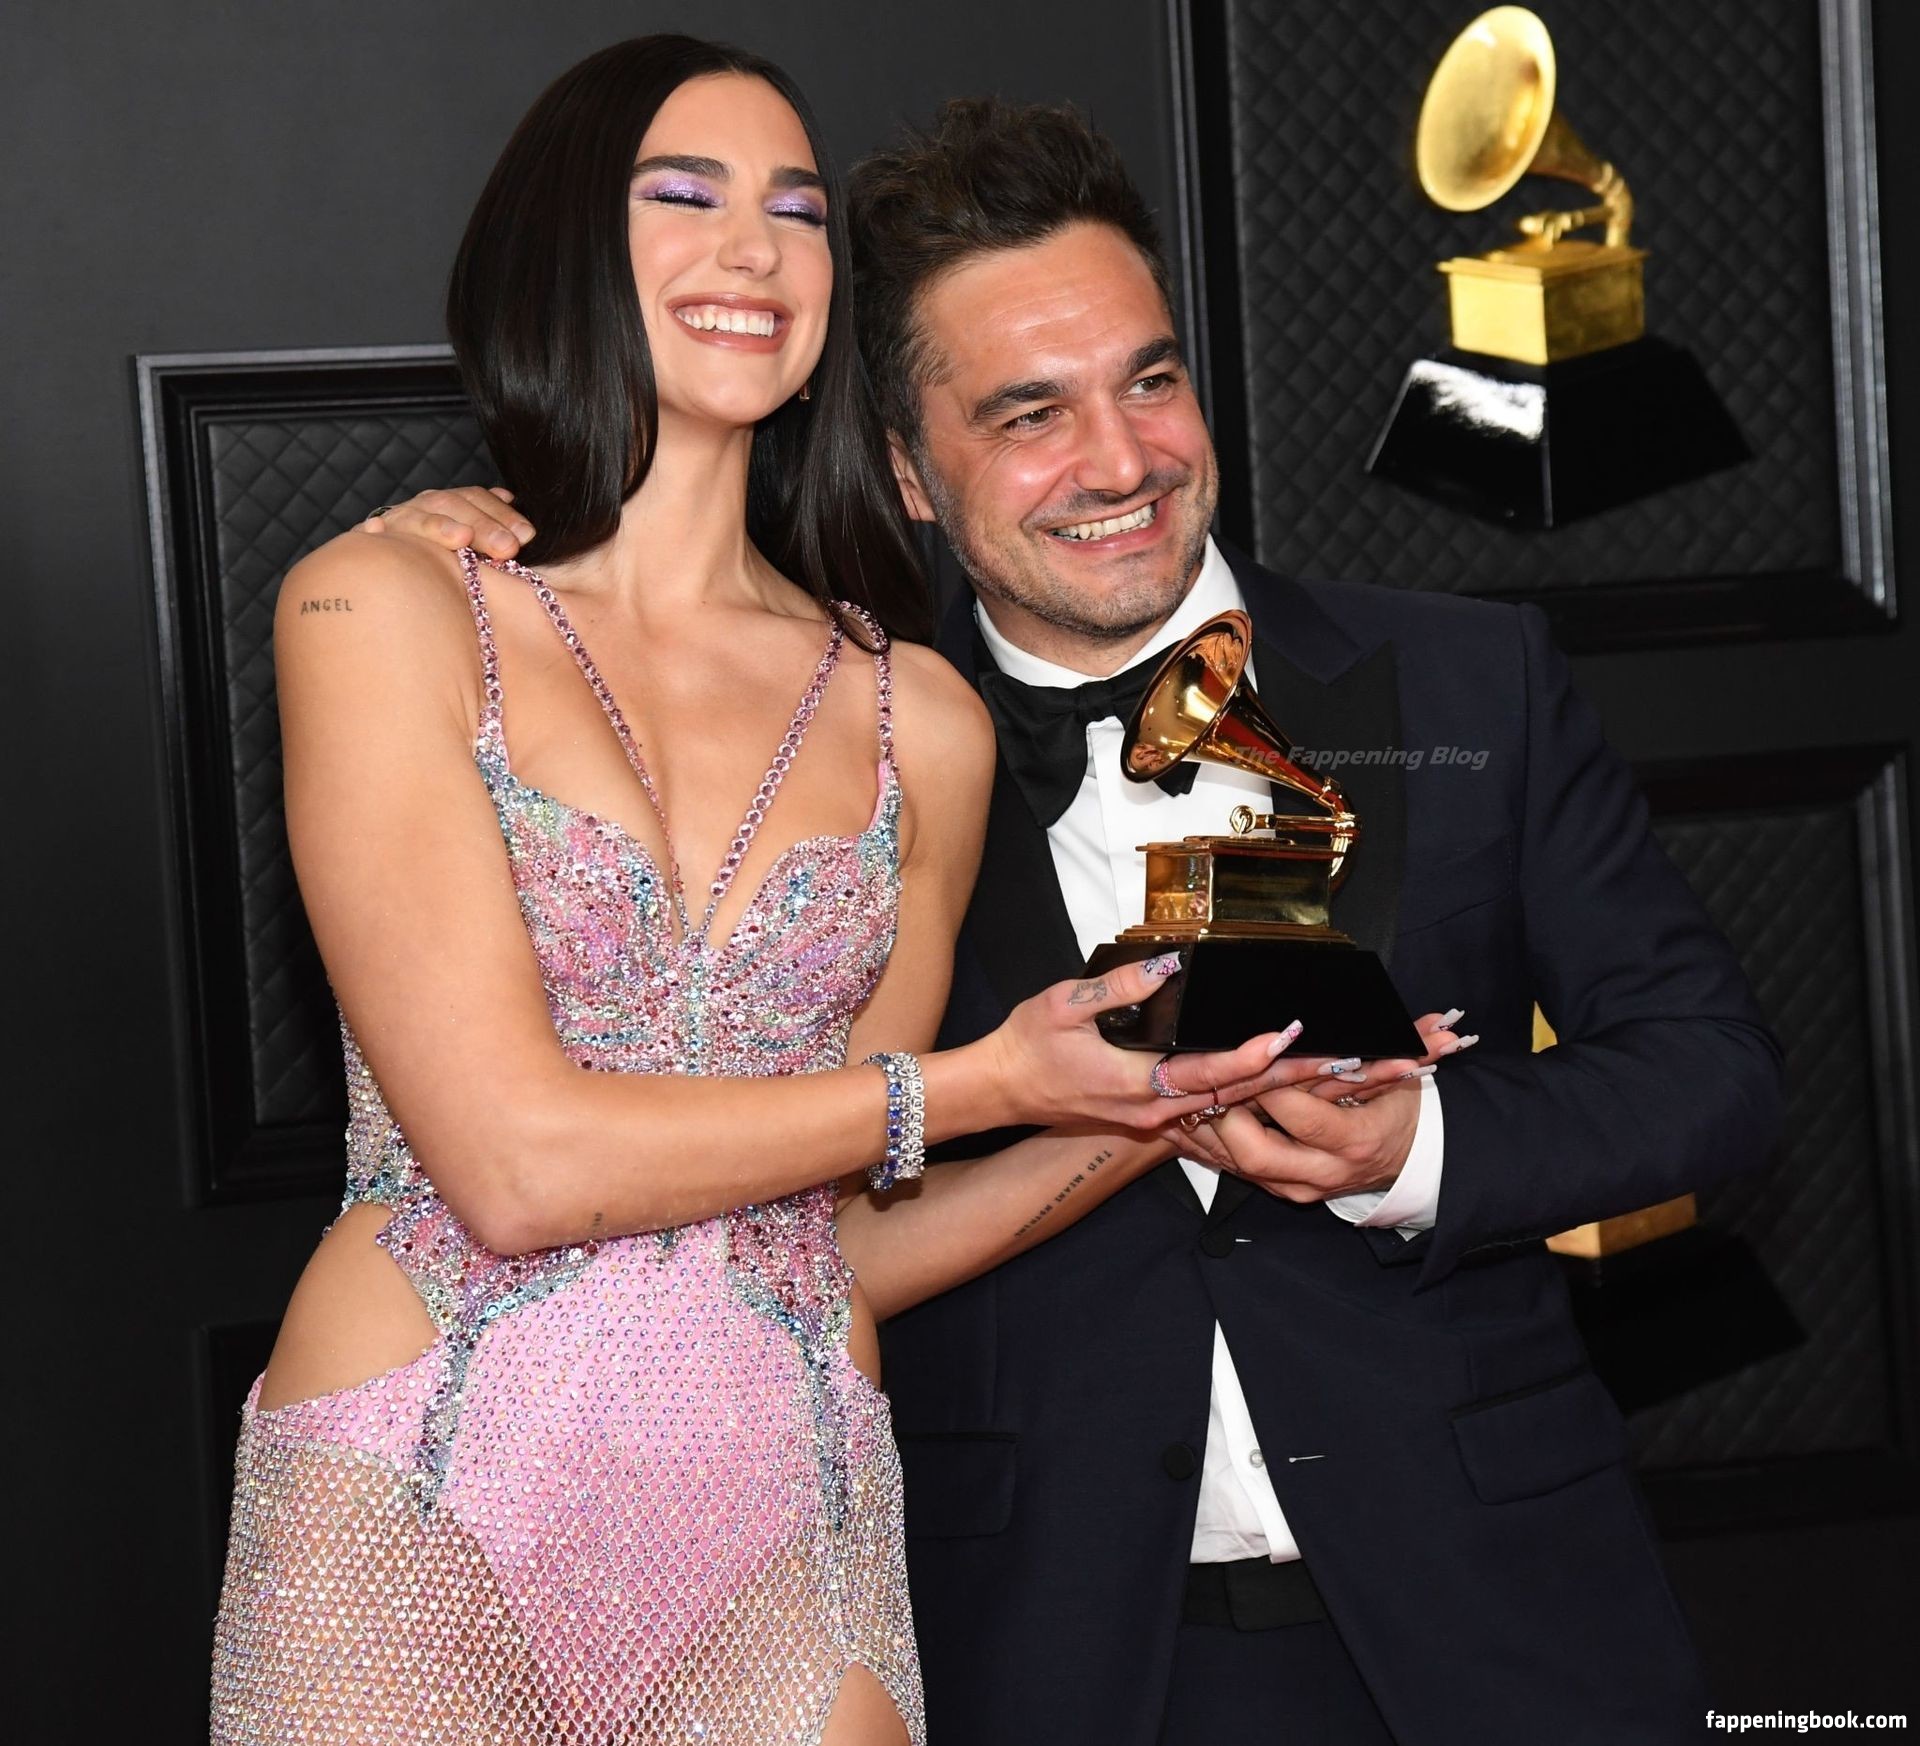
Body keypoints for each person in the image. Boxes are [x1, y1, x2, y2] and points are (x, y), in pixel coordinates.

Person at [374, 97, 1779, 1746]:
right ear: (909, 468)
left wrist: (1421, 1148)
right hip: (1051, 1653)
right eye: (1029, 413)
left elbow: (1714, 1075)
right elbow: (744, 1198)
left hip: (1507, 1630)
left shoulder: (1474, 679)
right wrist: (474, 552)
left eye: (1150, 381)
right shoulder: (834, 755)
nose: (1120, 462)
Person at [209, 46, 1437, 1746]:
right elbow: (514, 1165)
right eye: (684, 194)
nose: (756, 246)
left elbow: (840, 1237)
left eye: (795, 211)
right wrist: (979, 1085)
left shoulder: (915, 717)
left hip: (788, 1524)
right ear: (559, 246)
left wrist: (1164, 1104)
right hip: (419, 1481)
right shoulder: (380, 606)